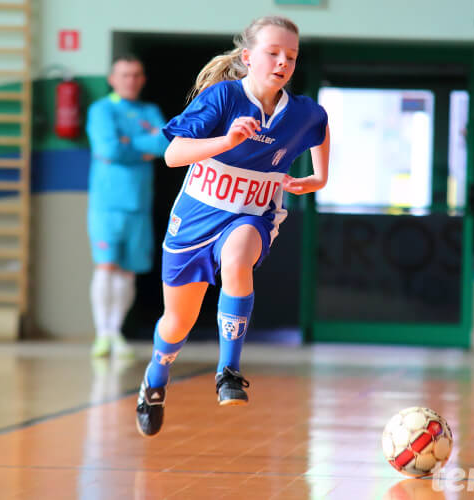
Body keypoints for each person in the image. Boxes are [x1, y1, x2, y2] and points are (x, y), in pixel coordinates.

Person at [135, 15, 330, 437]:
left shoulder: (301, 113)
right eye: (273, 53)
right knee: (177, 324)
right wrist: (228, 141)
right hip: (196, 217)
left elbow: (320, 127)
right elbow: (173, 155)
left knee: (237, 258)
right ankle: (155, 378)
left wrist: (320, 177)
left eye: (291, 56)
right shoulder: (224, 98)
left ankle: (228, 371)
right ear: (248, 57)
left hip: (251, 215)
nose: (283, 62)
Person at [86, 55, 169, 359]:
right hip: (107, 203)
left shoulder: (150, 111)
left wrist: (128, 144)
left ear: (142, 79)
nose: (130, 80)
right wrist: (141, 145)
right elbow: (106, 148)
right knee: (106, 265)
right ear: (112, 78)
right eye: (124, 75)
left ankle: (115, 331)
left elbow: (163, 145)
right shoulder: (102, 110)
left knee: (128, 272)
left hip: (139, 204)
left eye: (136, 75)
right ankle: (102, 334)